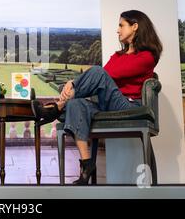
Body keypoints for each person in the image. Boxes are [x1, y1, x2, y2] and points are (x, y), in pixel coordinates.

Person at [32, 10, 162, 185]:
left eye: (121, 25)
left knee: (98, 72)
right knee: (76, 103)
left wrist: (73, 83)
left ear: (135, 26)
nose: (118, 30)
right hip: (106, 103)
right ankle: (87, 165)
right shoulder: (118, 55)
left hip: (129, 105)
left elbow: (108, 73)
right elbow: (106, 76)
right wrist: (75, 84)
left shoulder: (147, 56)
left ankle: (57, 107)